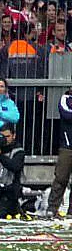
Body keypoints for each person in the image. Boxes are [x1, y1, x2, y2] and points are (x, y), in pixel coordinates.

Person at [46, 88, 72, 218]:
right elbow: (66, 114)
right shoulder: (65, 99)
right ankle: (52, 208)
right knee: (61, 178)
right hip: (67, 147)